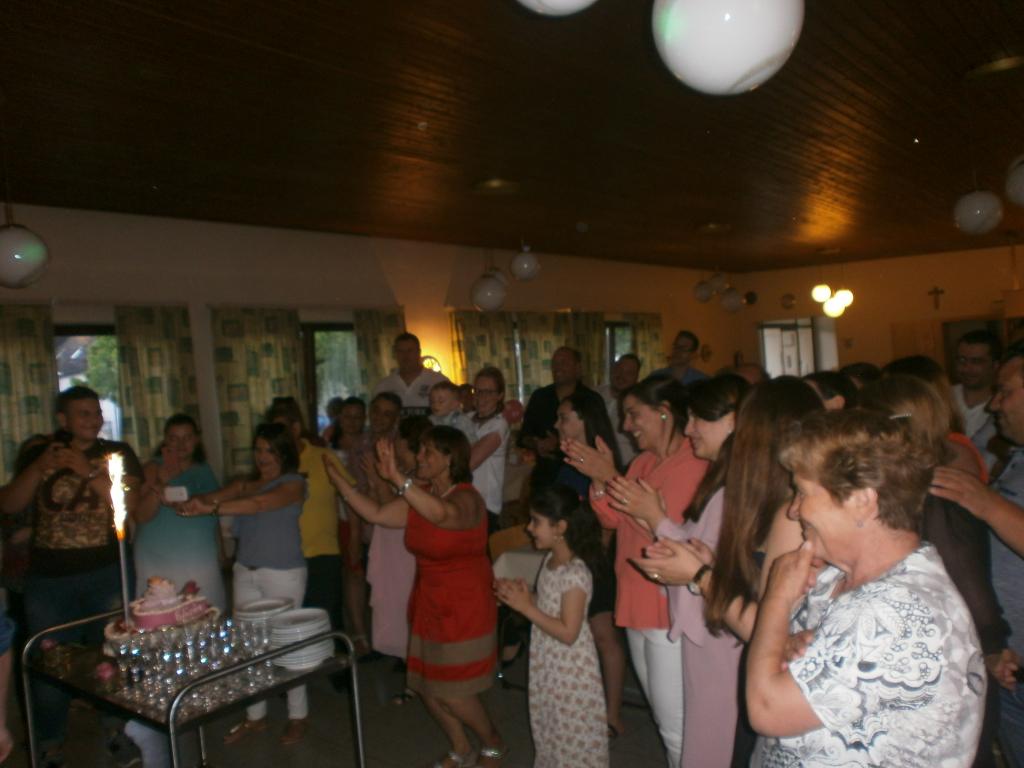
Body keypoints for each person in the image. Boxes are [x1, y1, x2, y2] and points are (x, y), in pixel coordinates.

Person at [747, 409, 985, 767]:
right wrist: (784, 644)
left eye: (802, 492)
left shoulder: (898, 610)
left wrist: (776, 599)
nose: (794, 511)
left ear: (861, 500)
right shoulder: (834, 578)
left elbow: (768, 709)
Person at [631, 376, 823, 766]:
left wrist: (700, 574)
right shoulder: (763, 496)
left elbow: (770, 626)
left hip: (753, 659)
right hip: (736, 644)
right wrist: (707, 565)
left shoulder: (790, 512)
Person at [323, 426, 506, 767]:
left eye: (427, 452)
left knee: (455, 692)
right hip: (428, 601)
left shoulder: (467, 499)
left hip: (464, 606)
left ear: (449, 459)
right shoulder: (420, 495)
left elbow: (442, 515)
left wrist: (397, 479)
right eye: (419, 450)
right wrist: (339, 482)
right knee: (426, 686)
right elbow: (376, 514)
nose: (419, 457)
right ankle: (461, 748)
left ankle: (492, 742)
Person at [861, 374, 1007, 767]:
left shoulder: (936, 494)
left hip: (947, 671)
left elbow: (969, 587)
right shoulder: (903, 490)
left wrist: (993, 646)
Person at [563, 375, 707, 767]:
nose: (626, 426)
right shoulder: (644, 462)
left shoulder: (693, 464)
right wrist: (599, 478)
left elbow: (668, 532)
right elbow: (612, 518)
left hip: (665, 603)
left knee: (676, 723)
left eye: (633, 414)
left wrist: (609, 476)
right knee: (663, 717)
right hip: (635, 596)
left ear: (664, 412)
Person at [0, 386, 142, 768]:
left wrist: (88, 470)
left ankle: (117, 732)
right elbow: (9, 503)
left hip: (106, 574)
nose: (94, 420)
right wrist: (38, 467)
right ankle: (49, 744)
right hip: (49, 581)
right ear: (62, 419)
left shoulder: (117, 453)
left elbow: (130, 505)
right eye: (84, 413)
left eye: (96, 412)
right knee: (50, 664)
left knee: (111, 657)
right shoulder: (40, 452)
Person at [616, 374, 749, 767]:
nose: (689, 429)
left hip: (713, 626)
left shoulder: (727, 483)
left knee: (699, 736)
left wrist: (656, 518)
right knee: (692, 734)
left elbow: (695, 559)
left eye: (697, 419)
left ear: (732, 421)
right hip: (694, 618)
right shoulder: (720, 478)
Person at [180, 423, 310, 746]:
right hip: (245, 571)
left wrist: (210, 507)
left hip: (283, 573)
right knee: (249, 647)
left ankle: (298, 716)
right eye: (258, 449)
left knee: (286, 645)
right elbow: (210, 498)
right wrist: (189, 501)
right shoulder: (244, 484)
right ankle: (255, 716)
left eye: (270, 450)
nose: (263, 456)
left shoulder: (293, 484)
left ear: (284, 453)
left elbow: (259, 504)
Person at [932, 341, 1024, 767]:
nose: (994, 405)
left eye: (1005, 391)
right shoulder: (1016, 456)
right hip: (1011, 667)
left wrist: (988, 505)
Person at [495, 485, 609, 768]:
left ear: (560, 527)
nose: (529, 528)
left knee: (572, 733)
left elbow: (569, 632)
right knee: (552, 727)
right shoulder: (550, 561)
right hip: (550, 662)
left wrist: (527, 608)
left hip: (570, 669)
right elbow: (548, 605)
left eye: (536, 521)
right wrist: (523, 597)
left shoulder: (575, 573)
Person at [552, 389, 627, 738]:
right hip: (574, 555)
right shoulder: (567, 462)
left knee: (603, 634)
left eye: (564, 418)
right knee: (576, 633)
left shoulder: (600, 461)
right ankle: (581, 706)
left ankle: (612, 715)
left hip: (597, 557)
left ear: (585, 421)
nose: (557, 425)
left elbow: (610, 522)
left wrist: (597, 560)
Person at [266, 397, 355, 641]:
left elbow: (349, 497)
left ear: (296, 428)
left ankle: (339, 665)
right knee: (290, 625)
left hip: (322, 552)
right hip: (283, 557)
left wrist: (354, 539)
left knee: (327, 621)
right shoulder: (271, 464)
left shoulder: (323, 456)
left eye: (283, 430)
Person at [133, 414, 225, 610]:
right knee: (165, 616)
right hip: (160, 559)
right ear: (165, 440)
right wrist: (161, 481)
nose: (181, 444)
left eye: (187, 437)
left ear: (197, 439)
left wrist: (221, 552)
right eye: (174, 438)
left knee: (206, 614)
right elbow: (140, 515)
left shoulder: (204, 469)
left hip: (201, 558)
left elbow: (212, 515)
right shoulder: (152, 468)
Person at [362, 416, 429, 670]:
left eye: (399, 437)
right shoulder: (403, 472)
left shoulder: (420, 477)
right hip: (390, 544)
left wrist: (379, 480)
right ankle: (404, 657)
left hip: (404, 548)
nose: (394, 442)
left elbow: (390, 506)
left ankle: (411, 661)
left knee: (404, 600)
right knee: (393, 601)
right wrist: (374, 482)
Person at [346, 391, 402, 655]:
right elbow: (353, 490)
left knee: (393, 586)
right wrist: (354, 534)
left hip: (394, 521)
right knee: (358, 575)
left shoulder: (401, 445)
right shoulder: (359, 445)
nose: (380, 418)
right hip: (366, 520)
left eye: (387, 414)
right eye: (377, 411)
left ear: (396, 418)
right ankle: (363, 639)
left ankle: (395, 644)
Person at [519, 346, 605, 489]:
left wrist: (560, 444)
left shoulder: (591, 399)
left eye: (564, 362)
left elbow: (600, 439)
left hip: (582, 474)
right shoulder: (540, 397)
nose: (558, 367)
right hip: (545, 475)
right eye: (554, 363)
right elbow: (524, 436)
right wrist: (537, 443)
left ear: (578, 368)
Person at [952, 329, 1001, 470]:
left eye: (976, 361)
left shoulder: (1003, 404)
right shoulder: (943, 397)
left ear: (995, 365)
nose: (967, 368)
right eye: (962, 360)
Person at [470, 367, 510, 530]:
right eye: (478, 391)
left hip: (485, 505)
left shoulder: (499, 424)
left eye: (488, 392)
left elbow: (470, 462)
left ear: (500, 395)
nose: (481, 397)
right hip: (464, 501)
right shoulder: (466, 419)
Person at [373, 332, 449, 416]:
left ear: (419, 352)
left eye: (410, 350)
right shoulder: (383, 386)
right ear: (395, 354)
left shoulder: (438, 381)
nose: (405, 355)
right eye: (400, 351)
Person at [596, 353, 641, 467]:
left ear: (637, 378)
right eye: (618, 370)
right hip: (594, 462)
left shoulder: (641, 404)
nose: (621, 376)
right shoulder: (595, 395)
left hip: (628, 468)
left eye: (628, 373)